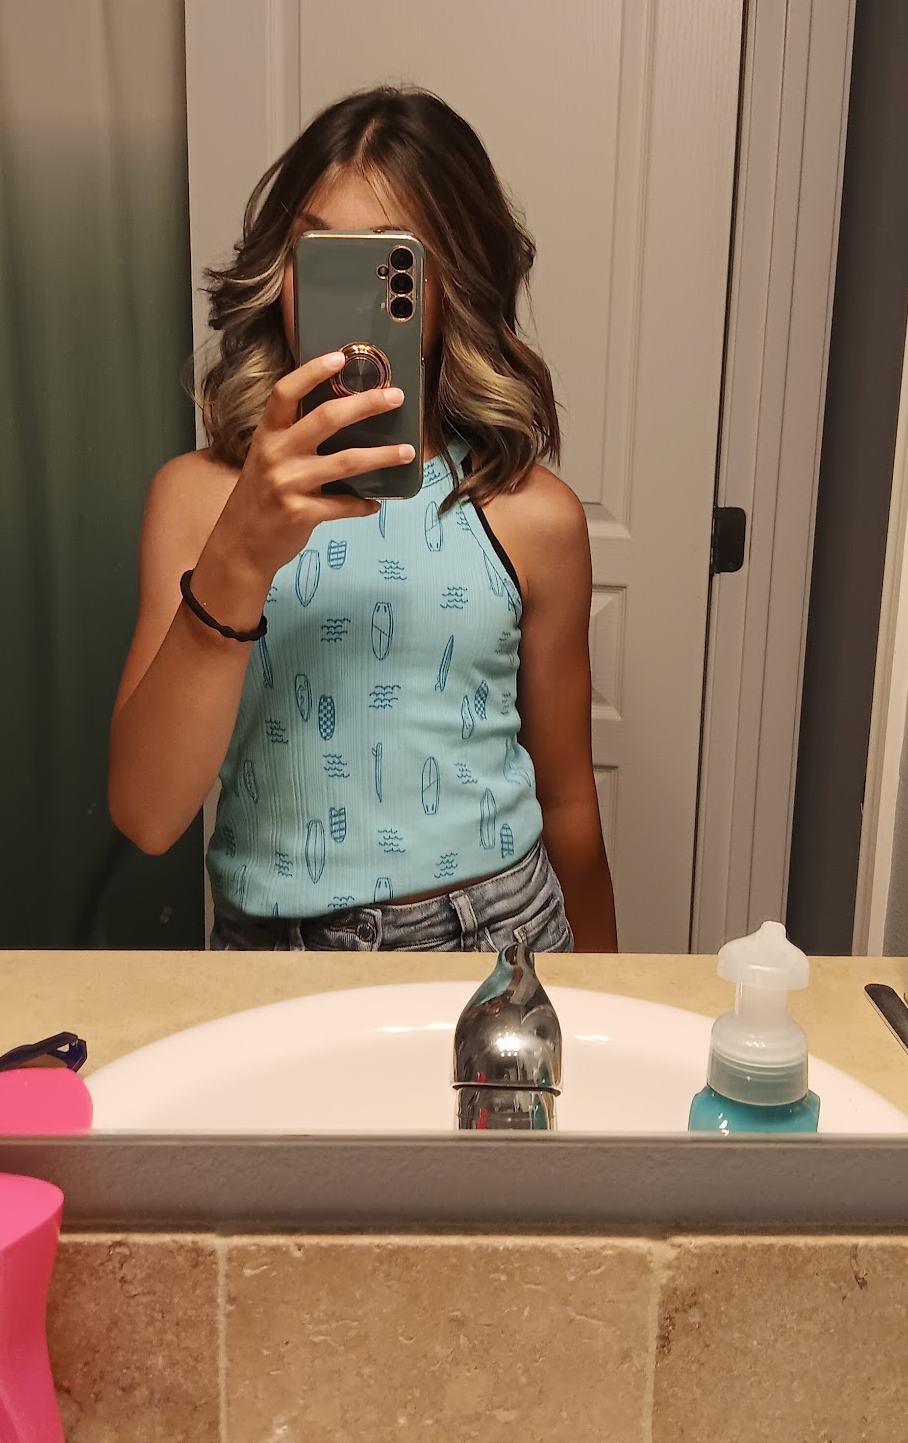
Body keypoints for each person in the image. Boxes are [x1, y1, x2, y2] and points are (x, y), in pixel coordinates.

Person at [109, 86, 617, 954]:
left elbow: (568, 802)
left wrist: (608, 1001)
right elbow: (147, 816)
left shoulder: (534, 517)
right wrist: (241, 554)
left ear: (451, 282)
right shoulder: (197, 499)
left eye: (389, 265)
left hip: (496, 941)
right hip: (270, 955)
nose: (345, 301)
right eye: (317, 254)